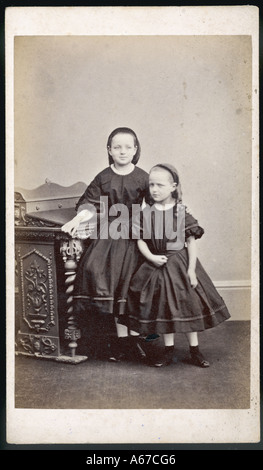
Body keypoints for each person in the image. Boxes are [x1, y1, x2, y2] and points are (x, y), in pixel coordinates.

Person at [125, 163, 231, 367]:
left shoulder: (180, 212)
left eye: (160, 185)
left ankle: (195, 351)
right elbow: (140, 240)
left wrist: (191, 270)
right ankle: (168, 350)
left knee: (188, 307)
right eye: (151, 185)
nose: (154, 189)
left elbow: (190, 242)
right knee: (164, 309)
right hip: (157, 265)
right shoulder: (146, 214)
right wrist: (151, 258)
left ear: (173, 186)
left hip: (180, 265)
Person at [61, 127, 149, 362]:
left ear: (135, 149)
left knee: (134, 282)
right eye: (117, 147)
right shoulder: (103, 177)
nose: (122, 151)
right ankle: (122, 342)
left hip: (137, 236)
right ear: (109, 150)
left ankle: (136, 341)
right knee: (107, 278)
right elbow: (89, 203)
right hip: (110, 237)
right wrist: (77, 219)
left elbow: (157, 202)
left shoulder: (142, 177)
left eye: (128, 147)